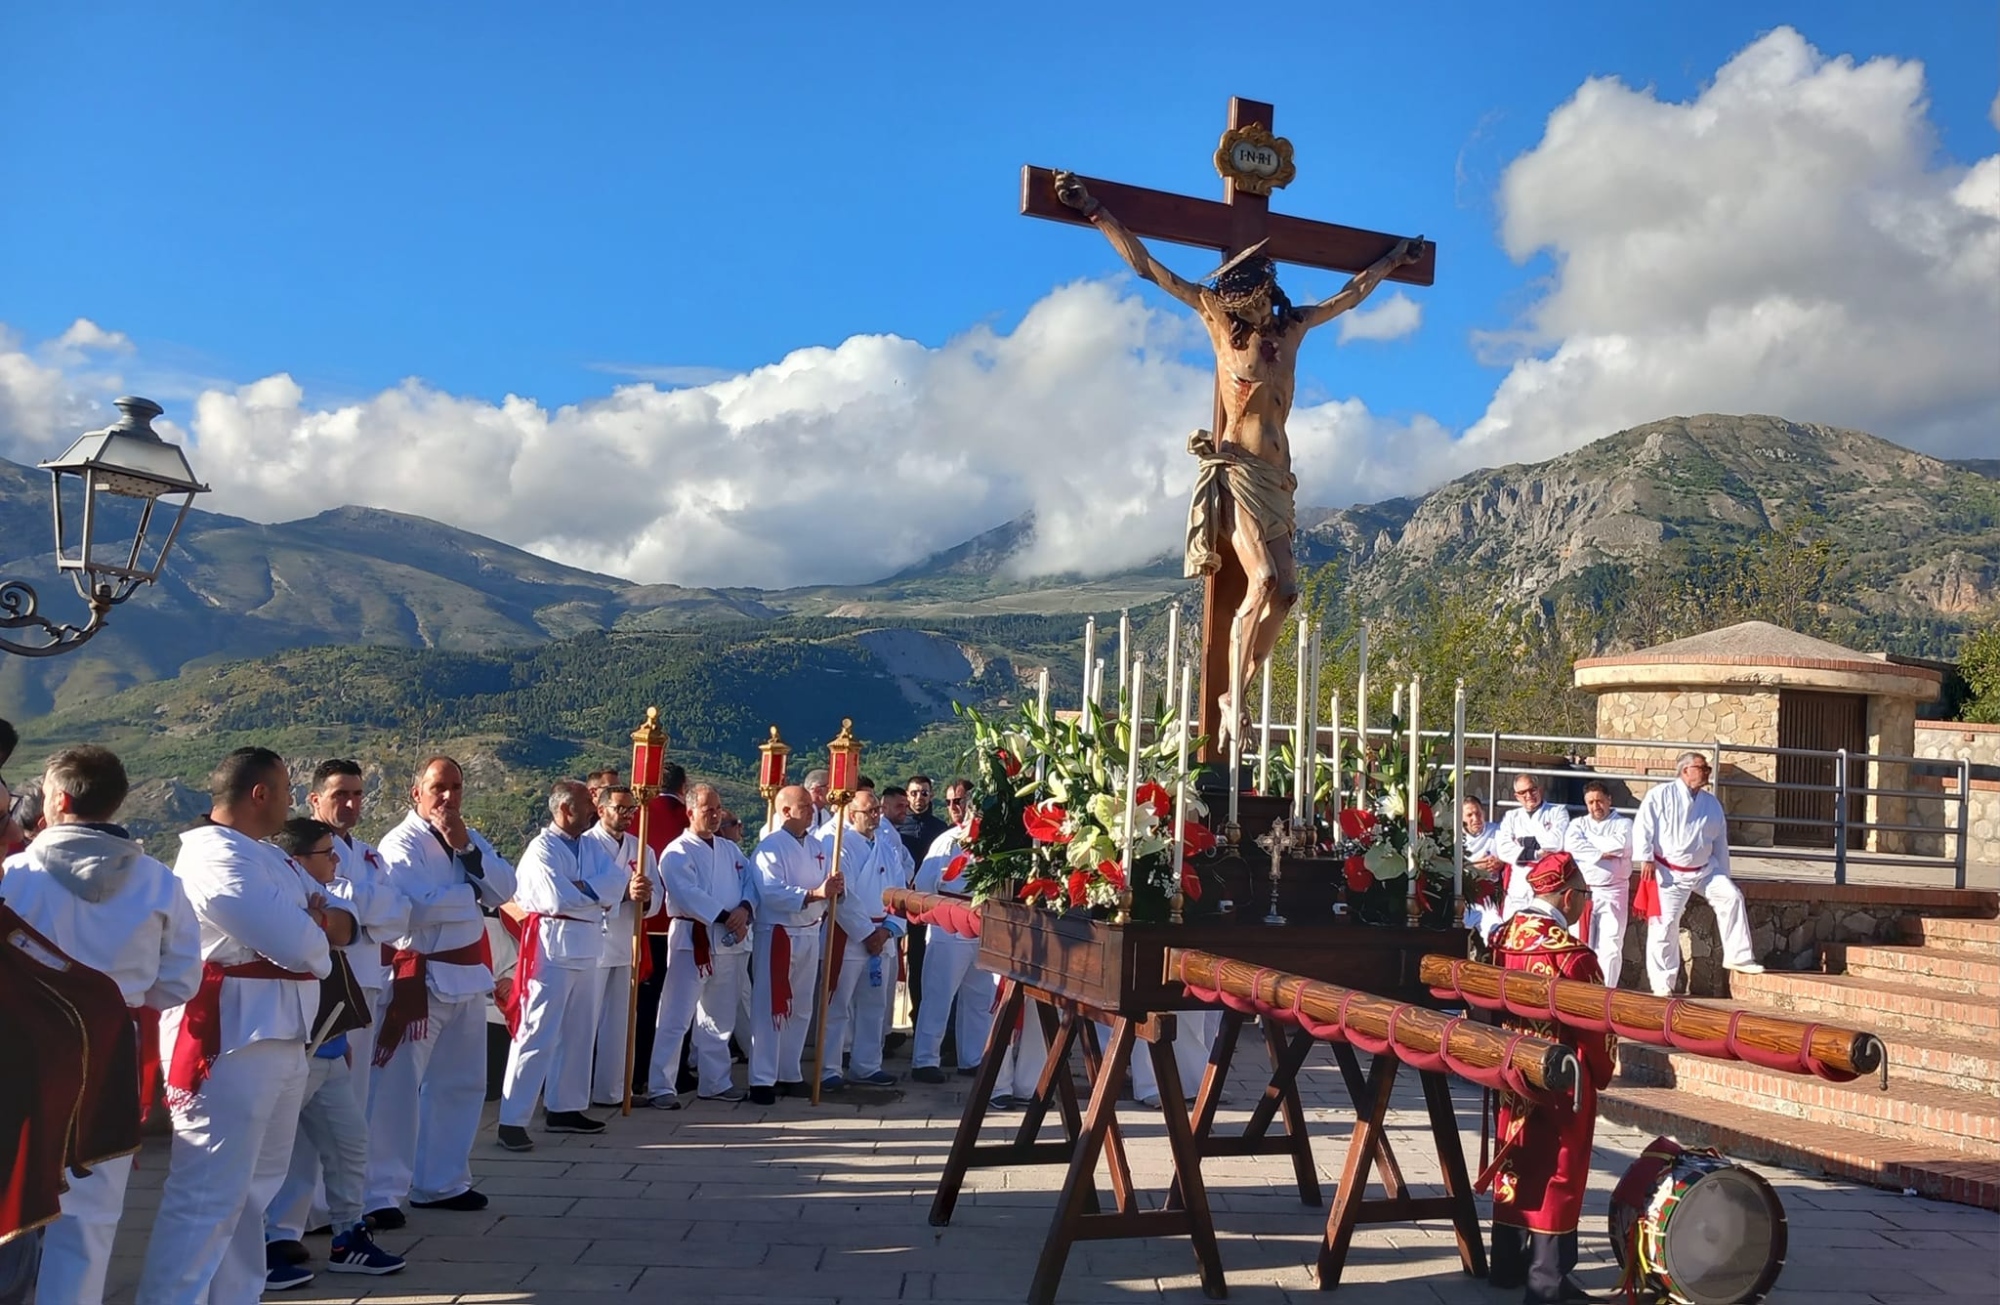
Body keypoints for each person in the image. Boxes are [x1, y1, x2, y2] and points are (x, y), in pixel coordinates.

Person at [1051, 170, 1421, 744]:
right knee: (1265, 577)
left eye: (1250, 283)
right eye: (1235, 285)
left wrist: (1393, 262)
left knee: (1290, 591)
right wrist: (1096, 210)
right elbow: (1149, 268)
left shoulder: (1292, 328)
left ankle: (1237, 685)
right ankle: (1234, 699)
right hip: (1242, 474)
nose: (1240, 293)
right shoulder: (1217, 322)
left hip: (1278, 476)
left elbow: (1349, 296)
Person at [138, 747, 348, 1301]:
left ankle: (235, 1295)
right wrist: (315, 929)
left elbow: (342, 917)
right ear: (260, 794)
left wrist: (316, 924)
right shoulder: (213, 857)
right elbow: (303, 944)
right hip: (230, 1039)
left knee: (255, 1191)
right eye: (284, 788)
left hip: (282, 1033)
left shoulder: (269, 856)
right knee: (208, 1192)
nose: (288, 799)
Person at [0, 745, 201, 1304]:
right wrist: (122, 998)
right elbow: (180, 984)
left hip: (23, 1058)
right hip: (110, 1055)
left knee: (11, 1200)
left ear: (58, 799)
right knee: (90, 1219)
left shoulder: (13, 876)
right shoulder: (160, 882)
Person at [364, 757, 517, 1227]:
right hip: (421, 980)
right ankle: (381, 1192)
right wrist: (471, 895)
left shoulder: (466, 837)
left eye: (455, 787)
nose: (447, 797)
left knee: (462, 1083)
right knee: (398, 1089)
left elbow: (506, 887)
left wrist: (467, 851)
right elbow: (413, 910)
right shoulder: (399, 842)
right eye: (438, 788)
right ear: (417, 793)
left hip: (468, 977)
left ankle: (442, 1181)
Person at [268, 760, 410, 1264]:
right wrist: (355, 911)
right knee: (292, 1120)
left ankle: (335, 1214)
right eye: (339, 794)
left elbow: (398, 914)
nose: (349, 803)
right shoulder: (289, 854)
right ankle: (285, 1222)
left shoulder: (368, 855)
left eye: (357, 793)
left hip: (359, 991)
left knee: (348, 1111)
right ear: (314, 799)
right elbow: (337, 915)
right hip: (308, 1000)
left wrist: (353, 910)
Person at [1483, 853, 1616, 1305]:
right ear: (1568, 895)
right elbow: (1596, 1027)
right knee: (1559, 1168)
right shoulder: (1572, 956)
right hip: (1560, 1078)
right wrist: (1602, 1070)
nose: (1584, 904)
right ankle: (1547, 1279)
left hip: (1511, 1070)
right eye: (1585, 895)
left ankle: (1506, 1263)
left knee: (1516, 1161)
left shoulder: (1501, 939)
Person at [496, 781, 627, 1151]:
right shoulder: (542, 848)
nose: (594, 809)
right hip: (551, 948)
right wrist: (591, 892)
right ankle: (513, 1118)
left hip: (588, 945)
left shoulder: (591, 845)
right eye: (588, 803)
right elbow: (553, 897)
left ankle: (566, 1106)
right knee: (537, 1030)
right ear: (566, 808)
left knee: (581, 1030)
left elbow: (617, 883)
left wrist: (581, 890)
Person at [652, 783, 755, 1105]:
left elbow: (750, 882)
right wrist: (725, 914)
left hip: (728, 942)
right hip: (691, 939)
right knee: (676, 1015)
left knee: (719, 1017)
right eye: (708, 809)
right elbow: (686, 893)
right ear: (690, 811)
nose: (714, 815)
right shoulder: (677, 852)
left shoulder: (730, 850)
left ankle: (715, 1081)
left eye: (718, 809)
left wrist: (745, 909)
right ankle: (661, 1086)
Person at [1633, 753, 1762, 995]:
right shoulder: (1660, 795)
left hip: (1705, 870)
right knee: (1664, 925)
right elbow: (1643, 826)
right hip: (1667, 872)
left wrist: (1725, 873)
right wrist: (1646, 858)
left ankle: (1739, 957)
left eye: (1707, 768)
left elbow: (1720, 842)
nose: (1707, 772)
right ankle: (1662, 983)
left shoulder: (1711, 803)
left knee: (1731, 897)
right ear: (1685, 771)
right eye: (1702, 767)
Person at [747, 784, 843, 1105]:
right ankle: (762, 1078)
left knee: (801, 1006)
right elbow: (772, 891)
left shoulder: (819, 846)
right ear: (786, 811)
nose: (811, 808)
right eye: (803, 804)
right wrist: (816, 894)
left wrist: (835, 890)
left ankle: (789, 1071)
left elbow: (829, 885)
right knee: (771, 1005)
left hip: (810, 930)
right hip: (779, 933)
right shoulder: (769, 849)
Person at [817, 788, 911, 1090]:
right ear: (851, 814)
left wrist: (887, 929)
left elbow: (899, 890)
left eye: (877, 811)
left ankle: (868, 1064)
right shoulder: (838, 845)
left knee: (874, 1005)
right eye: (869, 811)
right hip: (849, 933)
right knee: (837, 1004)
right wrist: (867, 933)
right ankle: (829, 1067)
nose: (875, 817)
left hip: (881, 933)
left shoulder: (885, 845)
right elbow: (845, 895)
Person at [583, 783, 659, 1109]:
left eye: (631, 809)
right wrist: (624, 894)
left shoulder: (642, 849)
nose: (627, 815)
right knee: (585, 1022)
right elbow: (584, 892)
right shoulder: (585, 846)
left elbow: (657, 903)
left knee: (620, 1023)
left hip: (626, 941)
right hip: (593, 943)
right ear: (601, 810)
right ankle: (571, 1092)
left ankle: (612, 1090)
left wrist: (646, 897)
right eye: (619, 808)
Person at [910, 780, 992, 1084]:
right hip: (950, 922)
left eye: (959, 801)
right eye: (949, 802)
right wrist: (940, 918)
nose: (954, 808)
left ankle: (972, 1058)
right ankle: (925, 1060)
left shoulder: (989, 841)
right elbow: (924, 885)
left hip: (983, 924)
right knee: (939, 995)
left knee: (980, 996)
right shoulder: (947, 841)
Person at [631, 763, 689, 1093]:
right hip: (674, 925)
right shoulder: (687, 818)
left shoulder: (634, 814)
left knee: (641, 1006)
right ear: (684, 786)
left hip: (638, 924)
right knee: (676, 1006)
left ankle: (635, 1071)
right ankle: (674, 1072)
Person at [895, 775, 950, 1039]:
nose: (919, 799)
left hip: (929, 906)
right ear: (907, 795)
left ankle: (925, 1023)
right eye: (915, 793)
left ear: (932, 795)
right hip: (900, 903)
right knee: (901, 963)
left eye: (924, 793)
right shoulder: (896, 830)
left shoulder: (941, 830)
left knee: (925, 963)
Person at [1564, 781, 1634, 988]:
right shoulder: (1578, 824)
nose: (1596, 806)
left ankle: (1606, 991)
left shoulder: (1624, 824)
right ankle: (1581, 988)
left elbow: (1621, 845)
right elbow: (1571, 846)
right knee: (1581, 942)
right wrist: (1602, 853)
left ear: (1609, 800)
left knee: (1611, 944)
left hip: (1613, 891)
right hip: (1583, 892)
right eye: (1591, 802)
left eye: (1600, 801)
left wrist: (1589, 847)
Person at [1496, 774, 1571, 920]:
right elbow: (1503, 849)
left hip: (1547, 884)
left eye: (1532, 790)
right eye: (1523, 792)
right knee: (1512, 930)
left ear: (1540, 790)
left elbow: (1556, 841)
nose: (1529, 795)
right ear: (1516, 796)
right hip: (1519, 884)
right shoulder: (1511, 816)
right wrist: (1536, 854)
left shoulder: (1557, 811)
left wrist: (1522, 841)